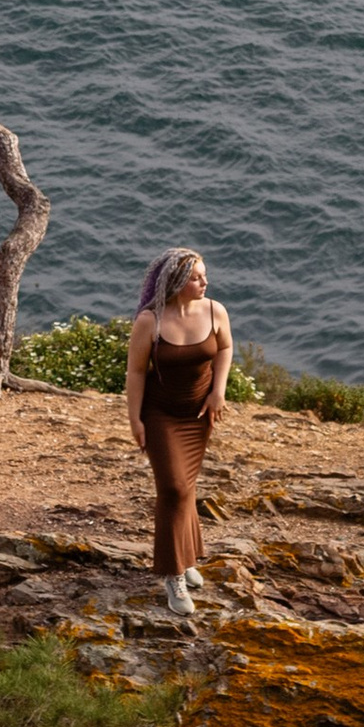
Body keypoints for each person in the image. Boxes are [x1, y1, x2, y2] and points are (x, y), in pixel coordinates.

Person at [126, 246, 232, 619]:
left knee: (185, 486)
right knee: (172, 488)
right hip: (160, 414)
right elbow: (136, 372)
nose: (205, 282)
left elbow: (225, 347)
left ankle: (185, 558)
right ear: (174, 282)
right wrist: (134, 419)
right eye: (196, 277)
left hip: (198, 415)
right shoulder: (149, 322)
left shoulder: (215, 310)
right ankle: (173, 574)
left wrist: (218, 391)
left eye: (204, 275)